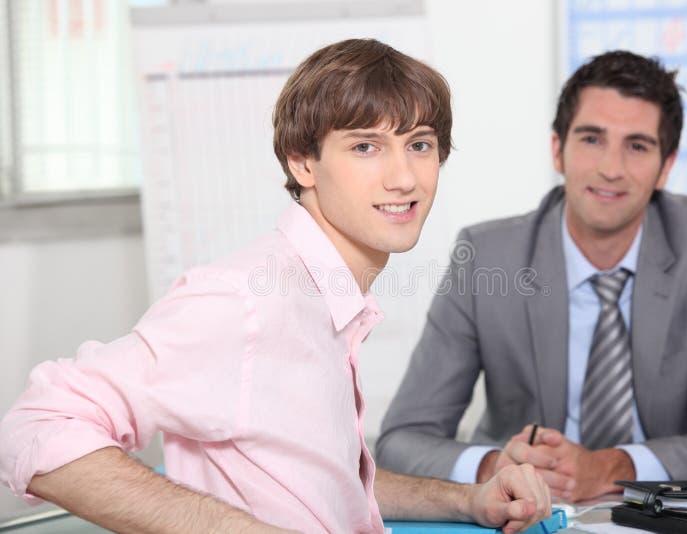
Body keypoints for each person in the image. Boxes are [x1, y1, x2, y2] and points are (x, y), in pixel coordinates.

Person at [0, 39, 551, 533]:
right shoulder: (247, 301)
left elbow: (324, 484)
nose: (404, 177)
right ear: (302, 162)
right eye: (365, 146)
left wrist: (469, 501)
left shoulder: (327, 297)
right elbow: (37, 424)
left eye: (420, 144)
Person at [376, 49, 687, 503]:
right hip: (524, 514)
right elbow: (402, 439)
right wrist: (495, 467)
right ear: (557, 150)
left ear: (667, 166)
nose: (611, 168)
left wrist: (610, 467)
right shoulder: (487, 257)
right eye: (592, 139)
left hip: (658, 511)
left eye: (637, 146)